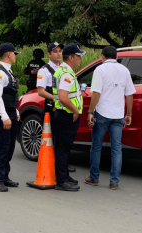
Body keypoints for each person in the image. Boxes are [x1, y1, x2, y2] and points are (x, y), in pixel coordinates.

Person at [85, 46, 135, 190]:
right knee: (117, 149)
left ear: (102, 57)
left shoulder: (100, 70)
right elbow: (129, 94)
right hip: (118, 115)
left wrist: (90, 111)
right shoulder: (125, 70)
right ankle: (114, 182)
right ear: (116, 57)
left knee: (96, 147)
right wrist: (129, 114)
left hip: (102, 113)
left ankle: (94, 178)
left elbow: (96, 94)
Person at [36, 42, 77, 173]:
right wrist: (58, 98)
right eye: (55, 51)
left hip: (62, 109)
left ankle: (62, 165)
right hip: (51, 110)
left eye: (60, 51)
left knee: (62, 140)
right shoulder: (44, 70)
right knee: (52, 139)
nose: (58, 53)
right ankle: (52, 166)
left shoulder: (64, 69)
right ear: (49, 54)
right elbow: (41, 91)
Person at [52, 43, 85, 191]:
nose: (80, 59)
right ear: (71, 57)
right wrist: (75, 111)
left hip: (61, 113)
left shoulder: (61, 70)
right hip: (67, 115)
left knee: (62, 147)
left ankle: (63, 175)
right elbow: (63, 97)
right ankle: (61, 180)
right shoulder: (67, 74)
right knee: (63, 149)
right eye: (78, 56)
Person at [0, 42, 21, 192]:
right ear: (9, 54)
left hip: (10, 113)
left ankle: (5, 176)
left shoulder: (8, 72)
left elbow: (11, 95)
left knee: (9, 148)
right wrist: (4, 117)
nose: (15, 56)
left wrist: (15, 112)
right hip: (1, 115)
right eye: (14, 53)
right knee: (2, 147)